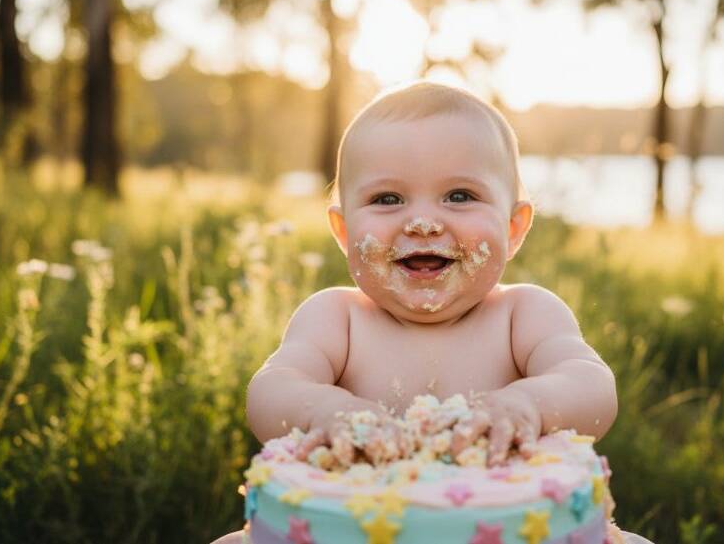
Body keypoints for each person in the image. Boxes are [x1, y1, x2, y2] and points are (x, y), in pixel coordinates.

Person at [213, 81, 643, 544]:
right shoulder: (337, 318)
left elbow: (591, 384)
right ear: (343, 230)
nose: (423, 222)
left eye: (459, 195)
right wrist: (326, 410)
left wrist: (527, 405)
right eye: (387, 199)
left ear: (514, 227)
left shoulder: (524, 314)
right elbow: (271, 390)